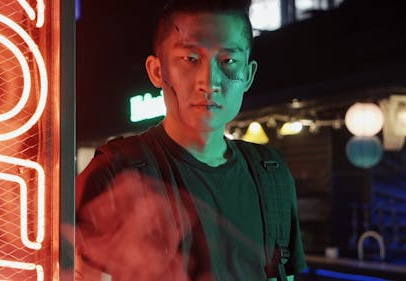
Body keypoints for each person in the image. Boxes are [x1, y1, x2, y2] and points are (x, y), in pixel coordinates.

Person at [75, 0, 307, 280]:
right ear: (157, 71)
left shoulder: (271, 173)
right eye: (190, 59)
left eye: (228, 61)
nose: (209, 82)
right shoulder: (115, 173)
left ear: (248, 74)